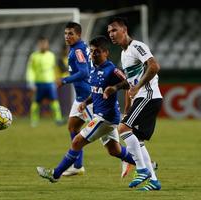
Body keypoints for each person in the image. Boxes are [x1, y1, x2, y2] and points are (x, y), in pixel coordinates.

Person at [36, 35, 137, 184]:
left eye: (97, 52)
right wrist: (86, 101)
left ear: (106, 53)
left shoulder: (112, 70)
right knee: (114, 150)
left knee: (77, 142)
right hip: (102, 116)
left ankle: (55, 174)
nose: (93, 55)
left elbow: (128, 82)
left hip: (106, 118)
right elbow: (96, 91)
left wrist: (114, 88)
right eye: (91, 51)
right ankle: (147, 165)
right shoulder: (94, 70)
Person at [104, 17, 163, 191]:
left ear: (124, 30)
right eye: (109, 32)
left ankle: (142, 169)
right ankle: (153, 181)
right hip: (142, 97)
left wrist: (138, 86)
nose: (111, 34)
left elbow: (154, 66)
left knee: (122, 130)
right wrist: (124, 100)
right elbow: (130, 83)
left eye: (114, 30)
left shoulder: (137, 46)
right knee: (137, 139)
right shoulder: (124, 53)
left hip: (149, 96)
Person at [55, 22, 93, 176]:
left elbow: (83, 72)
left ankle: (136, 160)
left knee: (109, 140)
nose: (67, 36)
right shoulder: (79, 48)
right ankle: (77, 166)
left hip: (88, 98)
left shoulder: (78, 50)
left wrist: (64, 80)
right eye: (65, 33)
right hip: (80, 98)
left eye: (70, 34)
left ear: (79, 35)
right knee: (72, 128)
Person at [26, 36, 64, 127]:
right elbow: (30, 70)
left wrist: (57, 79)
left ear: (47, 44)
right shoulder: (34, 56)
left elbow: (55, 69)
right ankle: (34, 121)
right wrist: (31, 82)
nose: (43, 45)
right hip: (38, 83)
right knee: (36, 103)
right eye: (41, 43)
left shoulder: (51, 55)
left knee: (54, 102)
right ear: (39, 45)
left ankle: (58, 119)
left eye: (45, 43)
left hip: (50, 83)